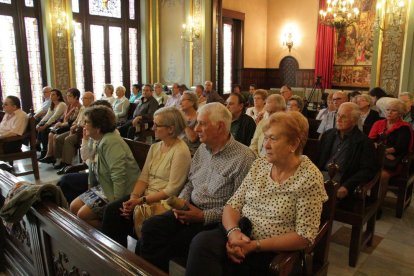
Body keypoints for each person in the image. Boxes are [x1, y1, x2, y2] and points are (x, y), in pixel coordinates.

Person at [186, 111, 328, 275]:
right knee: (202, 243)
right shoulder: (260, 165)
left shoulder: (309, 178)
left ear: (293, 144)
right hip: (242, 233)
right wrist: (233, 234)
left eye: (273, 139)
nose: (265, 145)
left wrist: (255, 245)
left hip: (273, 250)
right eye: (265, 137)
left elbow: (304, 236)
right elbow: (233, 205)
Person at [138, 103, 256, 272]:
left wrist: (203, 216)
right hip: (189, 209)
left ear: (220, 126)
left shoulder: (243, 158)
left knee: (184, 240)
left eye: (202, 123)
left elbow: (240, 207)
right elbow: (190, 182)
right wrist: (183, 203)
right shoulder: (203, 148)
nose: (196, 128)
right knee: (151, 227)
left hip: (216, 220)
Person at [101, 107, 192, 247]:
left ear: (171, 129)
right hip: (144, 196)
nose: (153, 127)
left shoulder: (180, 151)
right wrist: (133, 197)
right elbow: (143, 177)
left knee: (144, 223)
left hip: (163, 203)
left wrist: (141, 200)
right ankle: (116, 257)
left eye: (157, 124)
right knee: (113, 210)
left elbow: (172, 190)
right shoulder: (155, 147)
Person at [70, 106, 140, 228]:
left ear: (98, 127)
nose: (83, 125)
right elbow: (91, 165)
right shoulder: (96, 139)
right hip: (105, 185)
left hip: (120, 190)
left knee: (83, 215)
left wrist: (115, 205)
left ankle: (107, 239)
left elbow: (118, 176)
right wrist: (90, 187)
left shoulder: (111, 142)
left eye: (87, 122)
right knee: (74, 206)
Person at [318, 102, 378, 201]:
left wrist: (347, 186)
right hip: (321, 176)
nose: (339, 119)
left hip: (343, 179)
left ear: (354, 120)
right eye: (338, 115)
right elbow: (317, 159)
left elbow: (367, 170)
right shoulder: (328, 135)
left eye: (344, 117)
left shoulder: (363, 142)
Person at [57, 100, 113, 203]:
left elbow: (103, 168)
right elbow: (85, 158)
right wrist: (85, 139)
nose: (85, 125)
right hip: (94, 174)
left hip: (102, 180)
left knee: (66, 182)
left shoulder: (109, 138)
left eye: (88, 122)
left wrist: (90, 163)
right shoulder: (95, 135)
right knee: (64, 182)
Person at [369, 99, 413, 206]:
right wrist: (384, 152)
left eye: (393, 110)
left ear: (400, 113)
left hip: (394, 162)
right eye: (388, 110)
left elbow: (399, 148)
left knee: (383, 176)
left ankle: (377, 206)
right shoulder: (378, 123)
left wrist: (381, 150)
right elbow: (370, 141)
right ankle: (363, 201)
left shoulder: (404, 127)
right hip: (377, 157)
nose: (389, 112)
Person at [54, 92, 95, 174]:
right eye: (82, 98)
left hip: (83, 132)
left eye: (85, 98)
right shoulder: (83, 108)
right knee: (58, 138)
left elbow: (87, 124)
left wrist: (76, 126)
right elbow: (77, 119)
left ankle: (67, 164)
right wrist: (74, 124)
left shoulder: (93, 109)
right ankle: (60, 160)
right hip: (76, 129)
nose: (82, 100)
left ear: (91, 99)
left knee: (68, 140)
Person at [39, 88, 82, 165]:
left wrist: (61, 124)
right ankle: (50, 155)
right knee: (51, 133)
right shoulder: (69, 106)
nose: (67, 98)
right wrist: (59, 122)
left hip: (70, 127)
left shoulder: (78, 107)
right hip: (65, 125)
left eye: (70, 96)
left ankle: (56, 157)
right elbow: (62, 117)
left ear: (76, 97)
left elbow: (73, 121)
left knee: (54, 135)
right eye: (67, 96)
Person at [36, 89, 67, 159]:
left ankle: (44, 151)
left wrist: (45, 126)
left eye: (53, 94)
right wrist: (40, 123)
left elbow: (54, 117)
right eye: (51, 94)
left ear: (58, 97)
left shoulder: (62, 104)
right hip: (53, 122)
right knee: (41, 126)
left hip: (60, 122)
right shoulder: (52, 105)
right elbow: (47, 115)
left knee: (45, 129)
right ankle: (42, 149)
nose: (51, 96)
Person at [180, 91, 201, 155]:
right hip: (178, 149)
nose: (180, 103)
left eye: (183, 100)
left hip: (191, 152)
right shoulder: (180, 116)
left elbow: (192, 138)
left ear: (192, 102)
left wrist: (183, 120)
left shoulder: (199, 117)